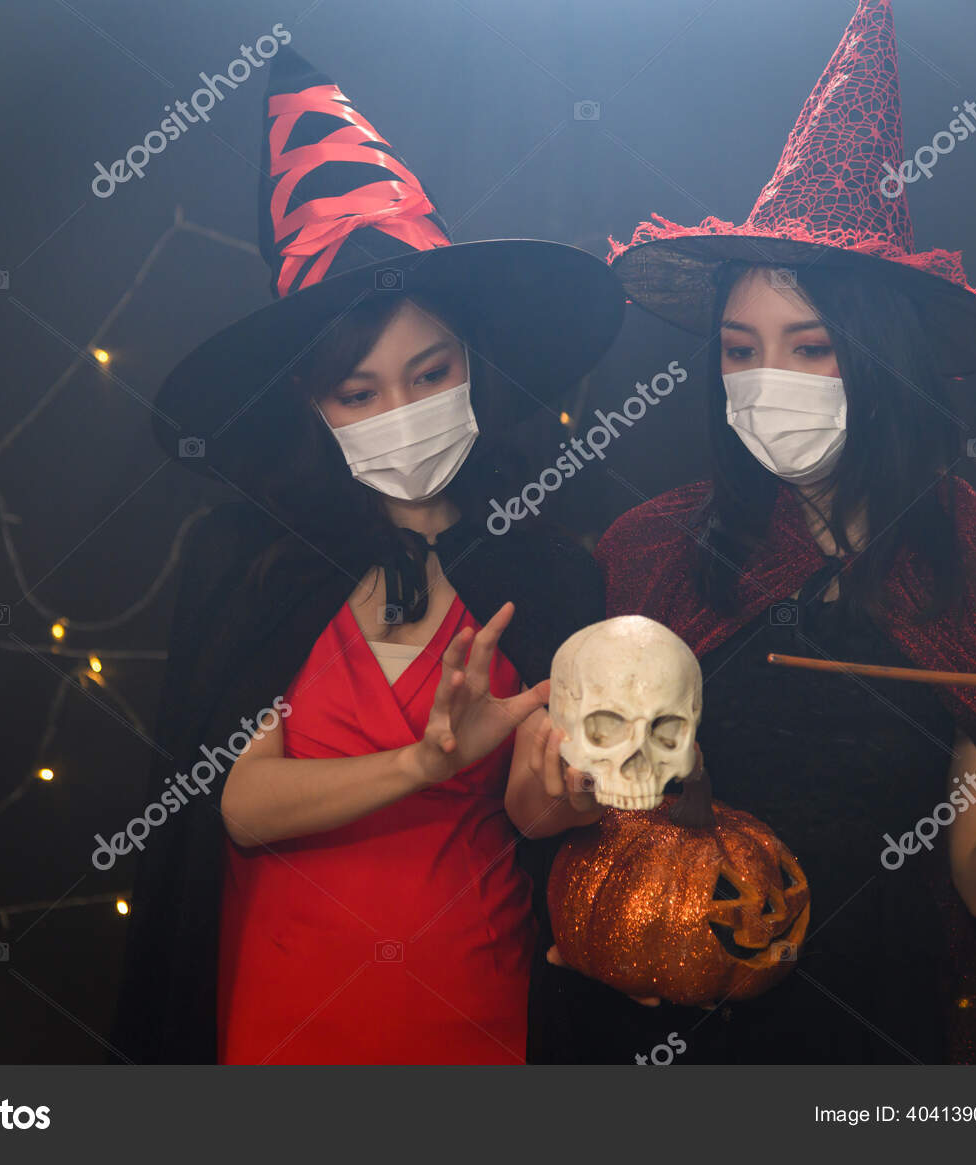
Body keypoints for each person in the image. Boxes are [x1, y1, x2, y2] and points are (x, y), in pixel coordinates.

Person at [520, 0, 976, 1065]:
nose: (766, 381)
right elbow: (586, 820)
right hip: (655, 1028)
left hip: (871, 1036)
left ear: (881, 367)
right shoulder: (649, 553)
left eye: (810, 348)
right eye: (741, 349)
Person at [110, 47, 620, 1064]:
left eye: (429, 373)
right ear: (313, 404)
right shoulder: (250, 564)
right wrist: (424, 761)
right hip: (283, 1005)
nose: (403, 411)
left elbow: (533, 808)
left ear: (473, 366)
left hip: (475, 1004)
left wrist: (595, 778)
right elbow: (242, 809)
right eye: (361, 391)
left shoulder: (551, 574)